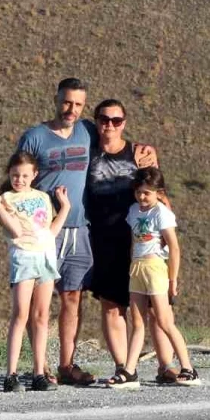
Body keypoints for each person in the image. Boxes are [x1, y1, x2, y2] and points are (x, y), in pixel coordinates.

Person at [85, 99, 179, 386]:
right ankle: (125, 368)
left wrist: (165, 230)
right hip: (104, 241)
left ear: (124, 123)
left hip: (142, 244)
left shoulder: (138, 155)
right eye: (104, 119)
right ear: (96, 121)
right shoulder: (87, 155)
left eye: (116, 120)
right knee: (113, 307)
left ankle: (166, 366)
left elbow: (158, 194)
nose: (109, 125)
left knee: (155, 307)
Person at [16, 77, 97, 386]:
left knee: (72, 297)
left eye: (77, 104)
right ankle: (41, 366)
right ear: (56, 99)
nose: (71, 109)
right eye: (66, 102)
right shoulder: (35, 137)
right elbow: (19, 181)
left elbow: (115, 144)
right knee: (40, 302)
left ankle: (67, 365)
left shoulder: (87, 131)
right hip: (44, 232)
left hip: (79, 228)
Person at [108, 166, 200, 389]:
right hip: (137, 268)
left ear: (158, 192)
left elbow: (174, 248)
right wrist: (131, 265)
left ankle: (188, 367)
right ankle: (129, 371)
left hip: (156, 267)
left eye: (147, 193)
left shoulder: (162, 213)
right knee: (137, 322)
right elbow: (133, 241)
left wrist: (172, 279)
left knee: (164, 321)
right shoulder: (134, 211)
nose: (142, 197)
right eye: (138, 192)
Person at [0, 151, 70, 392]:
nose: (20, 180)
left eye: (25, 175)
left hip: (45, 257)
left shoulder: (43, 197)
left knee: (41, 316)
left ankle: (38, 373)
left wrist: (65, 207)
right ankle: (11, 375)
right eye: (15, 175)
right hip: (24, 257)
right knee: (20, 315)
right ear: (9, 174)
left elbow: (50, 231)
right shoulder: (5, 199)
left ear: (34, 175)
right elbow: (15, 231)